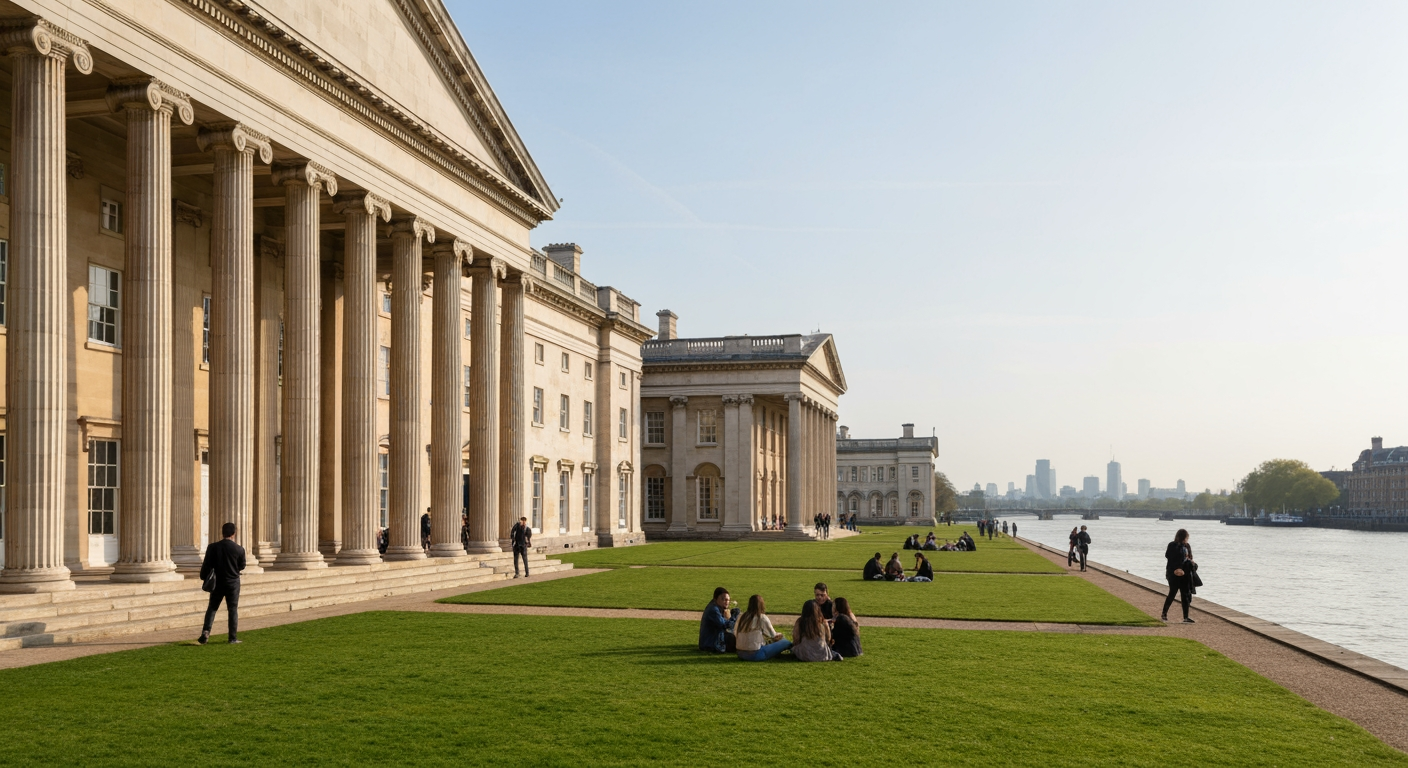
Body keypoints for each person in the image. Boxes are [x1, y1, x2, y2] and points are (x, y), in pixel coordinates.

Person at [198, 521, 246, 645]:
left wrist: (203, 577)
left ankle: (206, 632)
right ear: (234, 534)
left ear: (222, 533)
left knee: (212, 608)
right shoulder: (239, 549)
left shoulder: (212, 547)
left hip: (217, 582)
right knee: (232, 609)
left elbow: (207, 565)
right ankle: (232, 637)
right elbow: (242, 565)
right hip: (233, 582)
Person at [735, 595, 791, 661]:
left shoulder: (743, 617)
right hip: (755, 654)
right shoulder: (761, 617)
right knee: (786, 642)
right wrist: (780, 635)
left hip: (740, 653)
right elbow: (773, 635)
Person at [1162, 529, 1197, 623]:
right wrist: (1177, 568)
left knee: (1185, 594)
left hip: (1184, 573)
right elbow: (1169, 557)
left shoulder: (1185, 546)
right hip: (1174, 572)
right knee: (1173, 593)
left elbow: (1189, 557)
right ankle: (1165, 613)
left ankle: (1185, 617)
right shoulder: (1173, 545)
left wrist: (1191, 563)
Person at [699, 586, 738, 652]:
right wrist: (734, 616)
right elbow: (726, 626)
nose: (727, 602)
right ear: (715, 599)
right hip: (711, 645)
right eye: (723, 599)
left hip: (710, 642)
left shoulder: (715, 607)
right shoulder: (713, 610)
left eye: (728, 600)